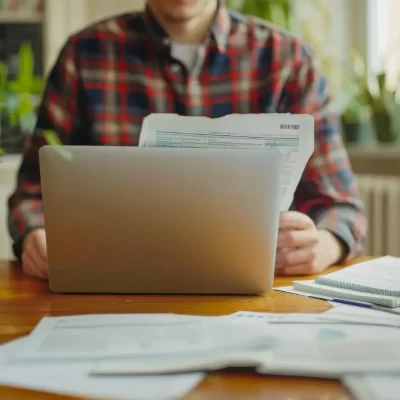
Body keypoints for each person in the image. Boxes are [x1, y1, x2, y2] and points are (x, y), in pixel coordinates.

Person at [8, 0, 367, 280]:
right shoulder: (84, 54)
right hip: (115, 286)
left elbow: (343, 208)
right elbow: (31, 194)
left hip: (256, 295)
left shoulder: (287, 60)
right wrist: (34, 234)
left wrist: (324, 245)